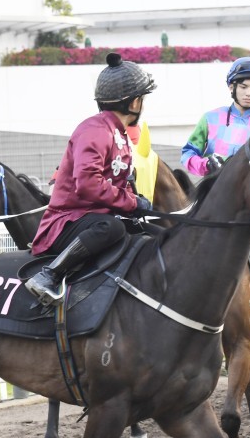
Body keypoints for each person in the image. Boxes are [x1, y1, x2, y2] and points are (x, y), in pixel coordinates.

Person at [25, 53, 156, 306]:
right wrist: (130, 203)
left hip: (96, 217)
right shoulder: (95, 130)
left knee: (157, 233)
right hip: (67, 222)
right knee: (112, 228)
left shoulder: (118, 133)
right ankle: (49, 276)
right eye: (143, 98)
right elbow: (87, 184)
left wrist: (136, 200)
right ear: (135, 102)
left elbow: (116, 185)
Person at [180, 56, 250, 318]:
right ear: (232, 88)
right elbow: (187, 154)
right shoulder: (210, 119)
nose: (249, 93)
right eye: (244, 87)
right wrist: (205, 164)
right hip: (212, 202)